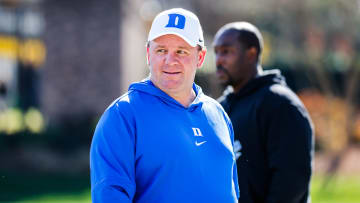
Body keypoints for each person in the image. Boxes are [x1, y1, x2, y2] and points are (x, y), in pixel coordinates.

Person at [90, 8, 239, 203]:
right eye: (161, 50)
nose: (170, 61)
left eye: (181, 51)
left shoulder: (218, 113)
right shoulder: (123, 116)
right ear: (148, 54)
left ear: (200, 57)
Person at [213, 22, 314, 203]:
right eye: (216, 52)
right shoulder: (220, 108)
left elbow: (291, 181)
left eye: (226, 51)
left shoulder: (280, 104)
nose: (219, 60)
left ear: (251, 54)